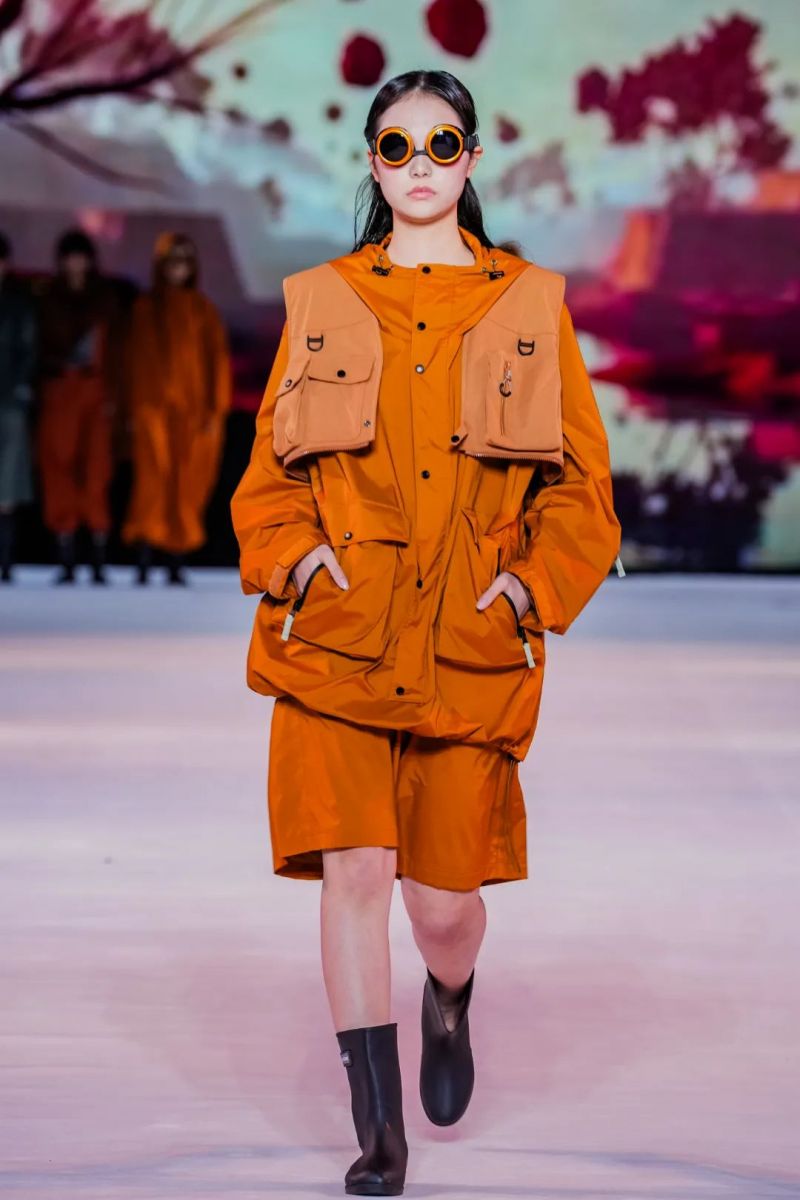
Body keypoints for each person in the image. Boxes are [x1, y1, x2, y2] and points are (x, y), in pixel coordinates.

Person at [231, 69, 624, 1197]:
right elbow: (270, 478)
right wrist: (294, 557)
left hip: (466, 646)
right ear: (372, 161)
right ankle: (379, 1132)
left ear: (470, 160)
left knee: (443, 909)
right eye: (396, 146)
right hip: (338, 642)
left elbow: (580, 489)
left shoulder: (529, 306)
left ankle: (449, 993)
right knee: (353, 871)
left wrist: (528, 590)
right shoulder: (320, 301)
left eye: (439, 144)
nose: (418, 165)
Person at [121, 233, 231, 585]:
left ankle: (175, 561)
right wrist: (133, 410)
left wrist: (216, 410)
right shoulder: (145, 309)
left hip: (193, 414)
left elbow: (217, 362)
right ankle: (144, 559)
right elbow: (133, 363)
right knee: (152, 482)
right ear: (161, 265)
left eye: (184, 262)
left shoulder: (203, 310)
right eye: (172, 261)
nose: (178, 269)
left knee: (186, 484)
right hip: (152, 411)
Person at [36, 229, 114, 584]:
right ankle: (66, 555)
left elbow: (116, 349)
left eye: (81, 256)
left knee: (96, 470)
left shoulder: (104, 299)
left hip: (95, 388)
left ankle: (98, 558)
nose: (76, 263)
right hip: (59, 390)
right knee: (58, 468)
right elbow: (38, 345)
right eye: (70, 257)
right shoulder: (49, 297)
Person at [0, 233, 37, 583]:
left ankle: (6, 562)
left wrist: (19, 388)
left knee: (7, 484)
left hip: (9, 402)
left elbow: (28, 350)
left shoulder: (17, 304)